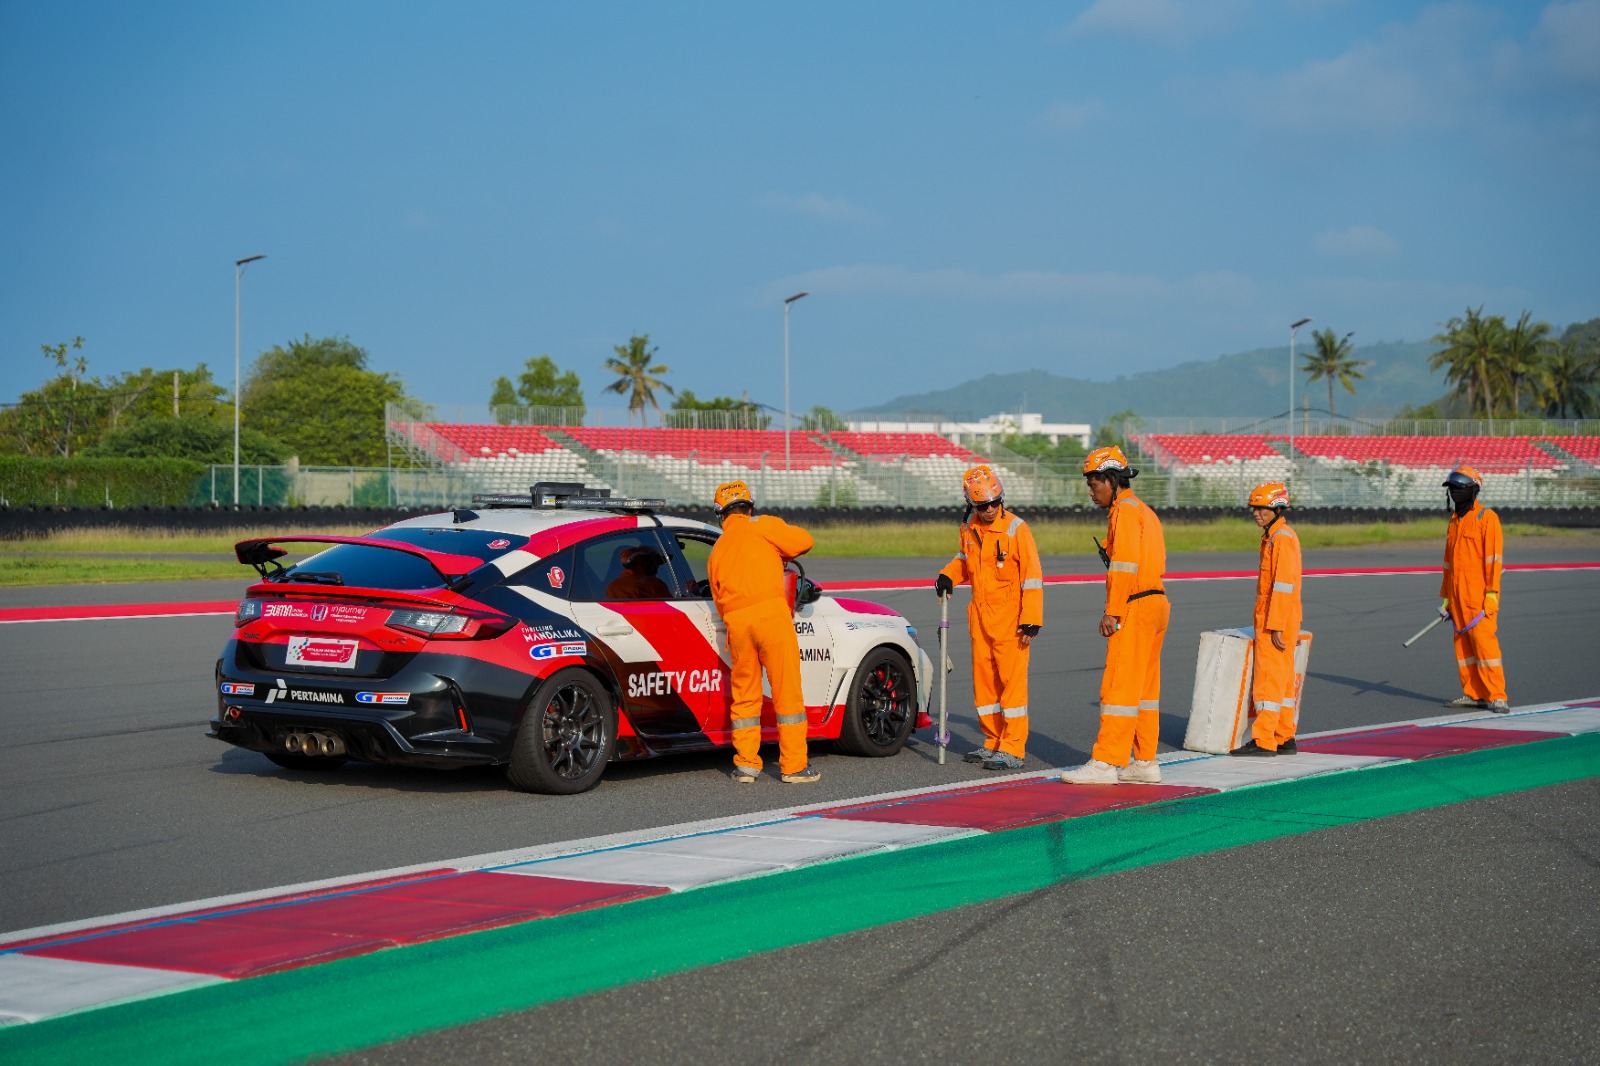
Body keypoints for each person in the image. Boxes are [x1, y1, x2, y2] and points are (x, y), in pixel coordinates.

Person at [1061, 445, 1169, 785]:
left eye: (1095, 484)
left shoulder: (1123, 511)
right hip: (1157, 602)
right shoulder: (1145, 511)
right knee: (1145, 690)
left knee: (1119, 686)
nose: (1091, 492)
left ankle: (1106, 762)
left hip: (1134, 605)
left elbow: (1124, 566)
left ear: (1112, 479)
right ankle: (1145, 761)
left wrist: (1112, 611)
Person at [706, 480, 821, 783]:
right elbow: (804, 541)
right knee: (787, 693)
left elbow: (718, 598)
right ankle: (794, 766)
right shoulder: (762, 526)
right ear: (750, 505)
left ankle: (746, 764)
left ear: (721, 515)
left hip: (736, 624)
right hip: (770, 617)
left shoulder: (718, 549)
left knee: (744, 696)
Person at [935, 465, 1043, 770]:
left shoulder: (1017, 529)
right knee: (985, 686)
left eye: (995, 502)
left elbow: (1033, 576)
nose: (990, 509)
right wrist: (948, 576)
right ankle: (992, 740)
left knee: (1011, 685)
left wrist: (1031, 618)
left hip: (1011, 621)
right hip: (980, 619)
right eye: (983, 505)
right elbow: (964, 561)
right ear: (972, 504)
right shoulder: (969, 528)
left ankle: (1013, 747)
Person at [1230, 482, 1303, 756]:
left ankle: (1264, 741)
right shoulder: (1278, 535)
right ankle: (1285, 737)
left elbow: (1283, 585)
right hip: (1284, 618)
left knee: (1268, 682)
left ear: (1277, 508)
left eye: (1262, 509)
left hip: (1275, 620)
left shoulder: (1280, 538)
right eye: (1255, 508)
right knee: (1283, 683)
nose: (1256, 513)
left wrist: (1275, 625)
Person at [1439, 466, 1509, 713]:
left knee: (1485, 647)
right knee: (1464, 650)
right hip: (1457, 598)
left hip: (1479, 598)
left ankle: (1497, 695)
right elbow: (1448, 563)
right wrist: (1446, 597)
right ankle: (1474, 693)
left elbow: (1493, 560)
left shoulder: (1486, 518)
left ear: (1473, 490)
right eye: (1452, 489)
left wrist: (1492, 594)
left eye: (1460, 488)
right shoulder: (1455, 522)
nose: (1455, 493)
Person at [605, 546, 672, 600]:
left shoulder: (612, 586)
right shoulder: (653, 584)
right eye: (653, 562)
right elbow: (671, 607)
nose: (657, 567)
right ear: (642, 563)